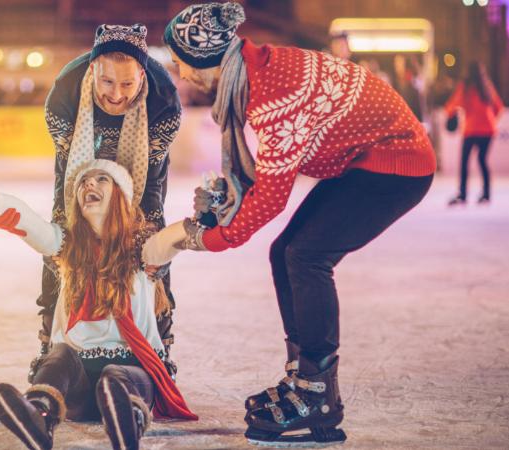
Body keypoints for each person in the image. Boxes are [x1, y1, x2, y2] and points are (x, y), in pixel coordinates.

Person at [163, 2, 436, 447]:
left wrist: (204, 239)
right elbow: (268, 178)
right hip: (364, 160)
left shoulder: (270, 91)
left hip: (395, 163)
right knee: (285, 252)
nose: (179, 72)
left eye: (179, 61)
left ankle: (318, 397)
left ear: (205, 59)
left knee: (306, 256)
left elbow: (270, 197)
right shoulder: (252, 71)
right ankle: (303, 379)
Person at [0, 156, 197, 450]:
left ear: (121, 194)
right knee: (60, 355)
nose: (88, 184)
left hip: (133, 374)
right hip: (77, 385)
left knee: (113, 378)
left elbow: (178, 236)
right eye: (83, 182)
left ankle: (127, 419)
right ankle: (39, 413)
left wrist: (205, 218)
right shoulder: (65, 246)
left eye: (101, 179)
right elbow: (22, 218)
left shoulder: (143, 250)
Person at [36, 23, 182, 381]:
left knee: (151, 248)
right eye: (107, 82)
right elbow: (66, 174)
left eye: (128, 84)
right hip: (81, 166)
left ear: (142, 76)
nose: (117, 94)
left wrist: (145, 231)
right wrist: (64, 225)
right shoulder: (64, 95)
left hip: (140, 171)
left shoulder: (164, 101)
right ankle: (49, 340)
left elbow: (152, 180)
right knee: (62, 244)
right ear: (93, 71)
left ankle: (161, 338)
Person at [445, 61, 504, 206]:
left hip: (471, 130)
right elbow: (499, 107)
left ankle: (463, 195)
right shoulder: (487, 87)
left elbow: (451, 107)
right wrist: (489, 120)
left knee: (464, 162)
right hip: (488, 129)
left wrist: (453, 114)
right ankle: (486, 194)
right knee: (482, 160)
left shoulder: (465, 87)